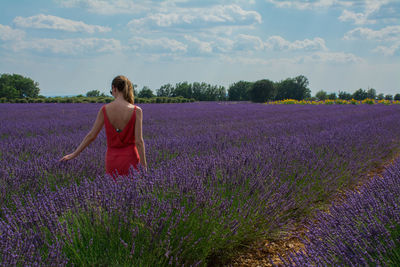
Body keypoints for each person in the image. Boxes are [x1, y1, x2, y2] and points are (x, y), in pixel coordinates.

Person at [59, 75, 147, 178]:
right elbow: (139, 141)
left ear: (114, 88)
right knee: (132, 192)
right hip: (131, 159)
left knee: (112, 192)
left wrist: (74, 154)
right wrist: (144, 167)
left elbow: (91, 136)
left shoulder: (105, 110)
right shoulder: (136, 111)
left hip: (112, 160)